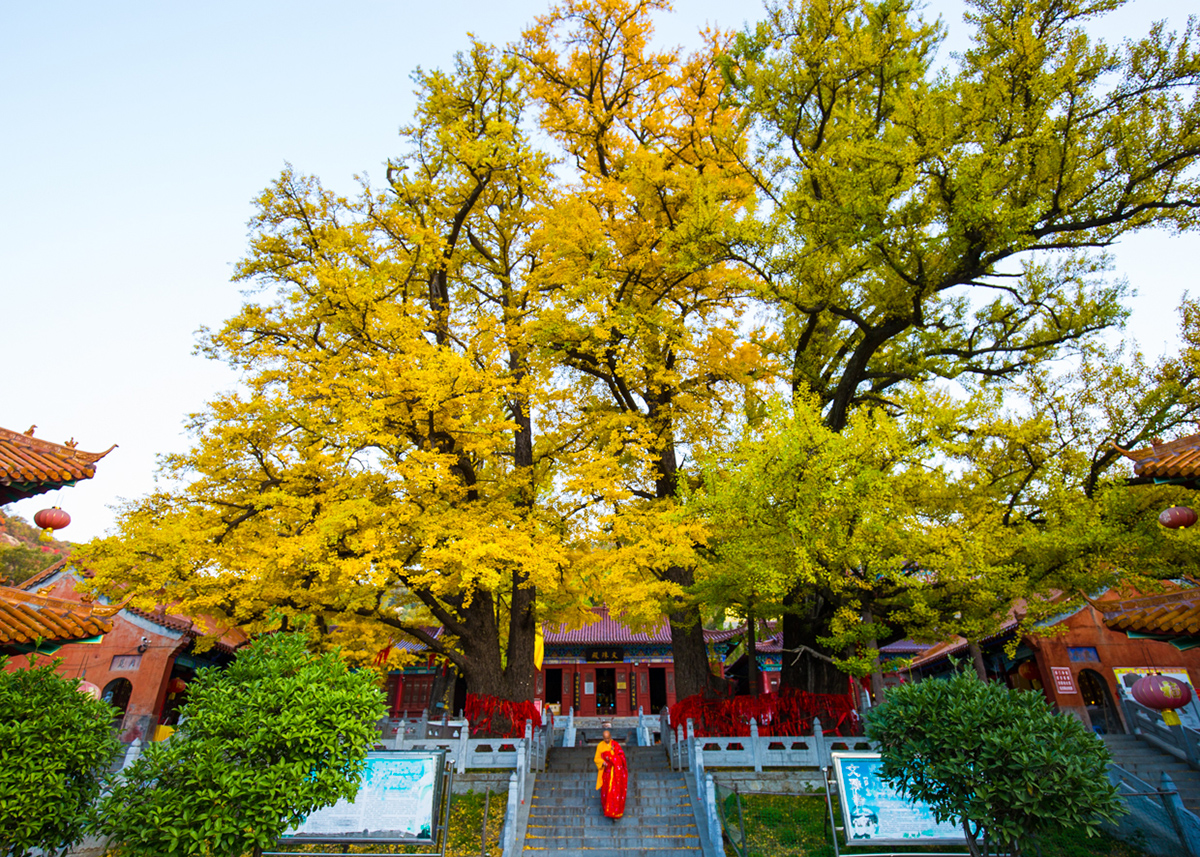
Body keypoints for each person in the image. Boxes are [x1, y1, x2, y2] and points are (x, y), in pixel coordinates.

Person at [593, 728, 628, 821]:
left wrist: (612, 758)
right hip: (606, 773)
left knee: (616, 793)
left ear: (611, 737)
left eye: (608, 738)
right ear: (603, 738)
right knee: (606, 793)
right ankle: (607, 811)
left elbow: (622, 757)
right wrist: (603, 762)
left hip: (616, 774)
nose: (607, 740)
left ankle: (616, 813)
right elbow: (596, 758)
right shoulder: (600, 746)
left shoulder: (615, 745)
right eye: (605, 738)